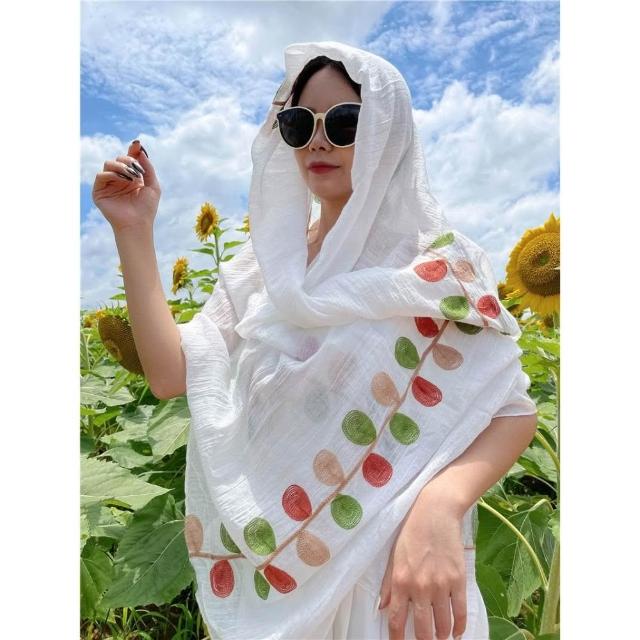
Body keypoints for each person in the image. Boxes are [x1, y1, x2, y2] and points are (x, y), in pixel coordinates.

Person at [92, 41, 538, 640]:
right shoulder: (262, 270)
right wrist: (134, 229)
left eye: (345, 122)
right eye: (300, 125)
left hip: (397, 582)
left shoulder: (435, 268)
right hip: (282, 583)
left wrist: (443, 503)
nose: (318, 142)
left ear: (388, 131)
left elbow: (513, 410)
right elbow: (172, 374)